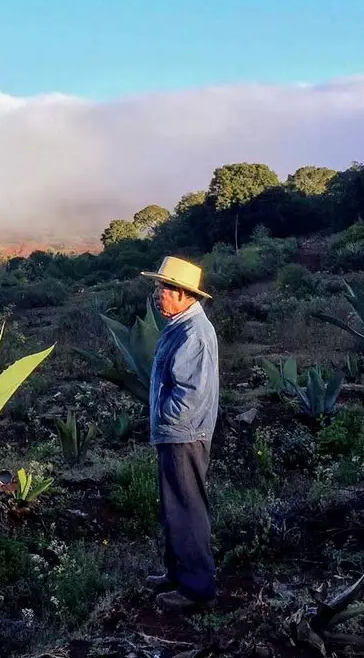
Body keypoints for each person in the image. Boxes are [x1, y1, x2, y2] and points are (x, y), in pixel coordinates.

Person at [139, 256, 220, 612]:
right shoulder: (180, 325)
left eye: (165, 288)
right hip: (175, 433)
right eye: (158, 287)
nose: (159, 295)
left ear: (185, 294)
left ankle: (196, 589)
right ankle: (177, 573)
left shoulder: (193, 333)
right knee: (175, 507)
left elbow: (189, 393)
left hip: (183, 434)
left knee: (187, 508)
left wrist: (164, 417)